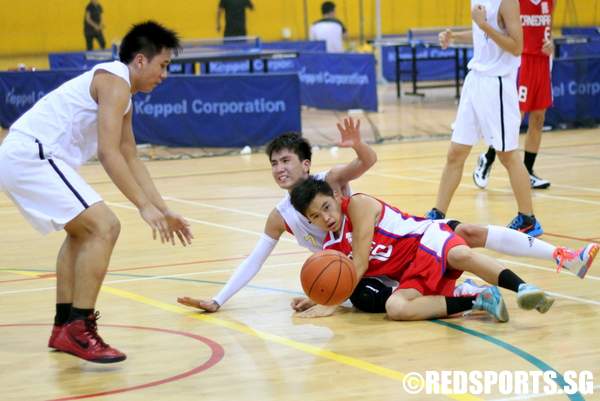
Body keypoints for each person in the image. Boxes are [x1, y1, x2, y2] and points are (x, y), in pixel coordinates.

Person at [0, 21, 193, 363]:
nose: (164, 74)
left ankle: (63, 327)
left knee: (81, 234)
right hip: (32, 154)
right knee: (105, 226)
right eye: (163, 65)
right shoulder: (114, 80)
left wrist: (161, 209)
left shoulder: (124, 94)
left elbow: (130, 155)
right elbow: (108, 153)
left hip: (26, 155)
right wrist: (142, 207)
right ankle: (79, 327)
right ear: (139, 61)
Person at [290, 178, 598, 321]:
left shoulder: (357, 205)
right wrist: (318, 294)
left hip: (425, 237)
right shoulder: (331, 247)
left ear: (334, 196)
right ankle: (478, 299)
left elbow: (356, 265)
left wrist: (330, 300)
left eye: (327, 208)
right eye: (315, 217)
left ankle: (526, 286)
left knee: (463, 248)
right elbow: (343, 275)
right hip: (412, 270)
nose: (325, 218)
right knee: (395, 309)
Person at [177, 118, 377, 314]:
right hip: (355, 274)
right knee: (362, 296)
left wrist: (358, 144)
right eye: (274, 163)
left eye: (285, 161)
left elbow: (368, 161)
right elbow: (254, 260)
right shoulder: (280, 216)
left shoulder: (331, 181)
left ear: (306, 164)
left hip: (378, 254)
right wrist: (217, 300)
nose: (279, 169)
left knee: (366, 297)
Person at [425, 0, 543, 237]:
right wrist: (455, 37)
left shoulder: (507, 2)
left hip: (496, 83)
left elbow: (516, 46)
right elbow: (482, 35)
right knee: (456, 152)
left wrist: (484, 25)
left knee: (507, 155)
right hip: (475, 80)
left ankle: (528, 219)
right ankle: (437, 215)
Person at [473, 0, 556, 190]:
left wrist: (551, 44)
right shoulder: (515, 1)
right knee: (513, 119)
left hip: (542, 62)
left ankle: (528, 171)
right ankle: (488, 158)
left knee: (538, 119)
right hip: (522, 62)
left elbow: (548, 29)